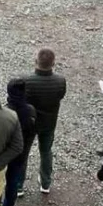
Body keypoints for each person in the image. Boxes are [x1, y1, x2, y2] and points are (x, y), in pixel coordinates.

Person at [23, 48, 66, 194]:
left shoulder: (27, 81)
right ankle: (46, 183)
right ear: (53, 63)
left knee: (23, 153)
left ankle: (18, 185)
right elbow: (60, 96)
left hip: (30, 123)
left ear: (36, 61)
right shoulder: (60, 81)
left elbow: (24, 101)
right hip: (49, 123)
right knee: (46, 151)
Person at [0, 78, 35, 206]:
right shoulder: (30, 110)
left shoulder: (5, 112)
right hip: (21, 153)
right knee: (13, 181)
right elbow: (32, 132)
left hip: (4, 154)